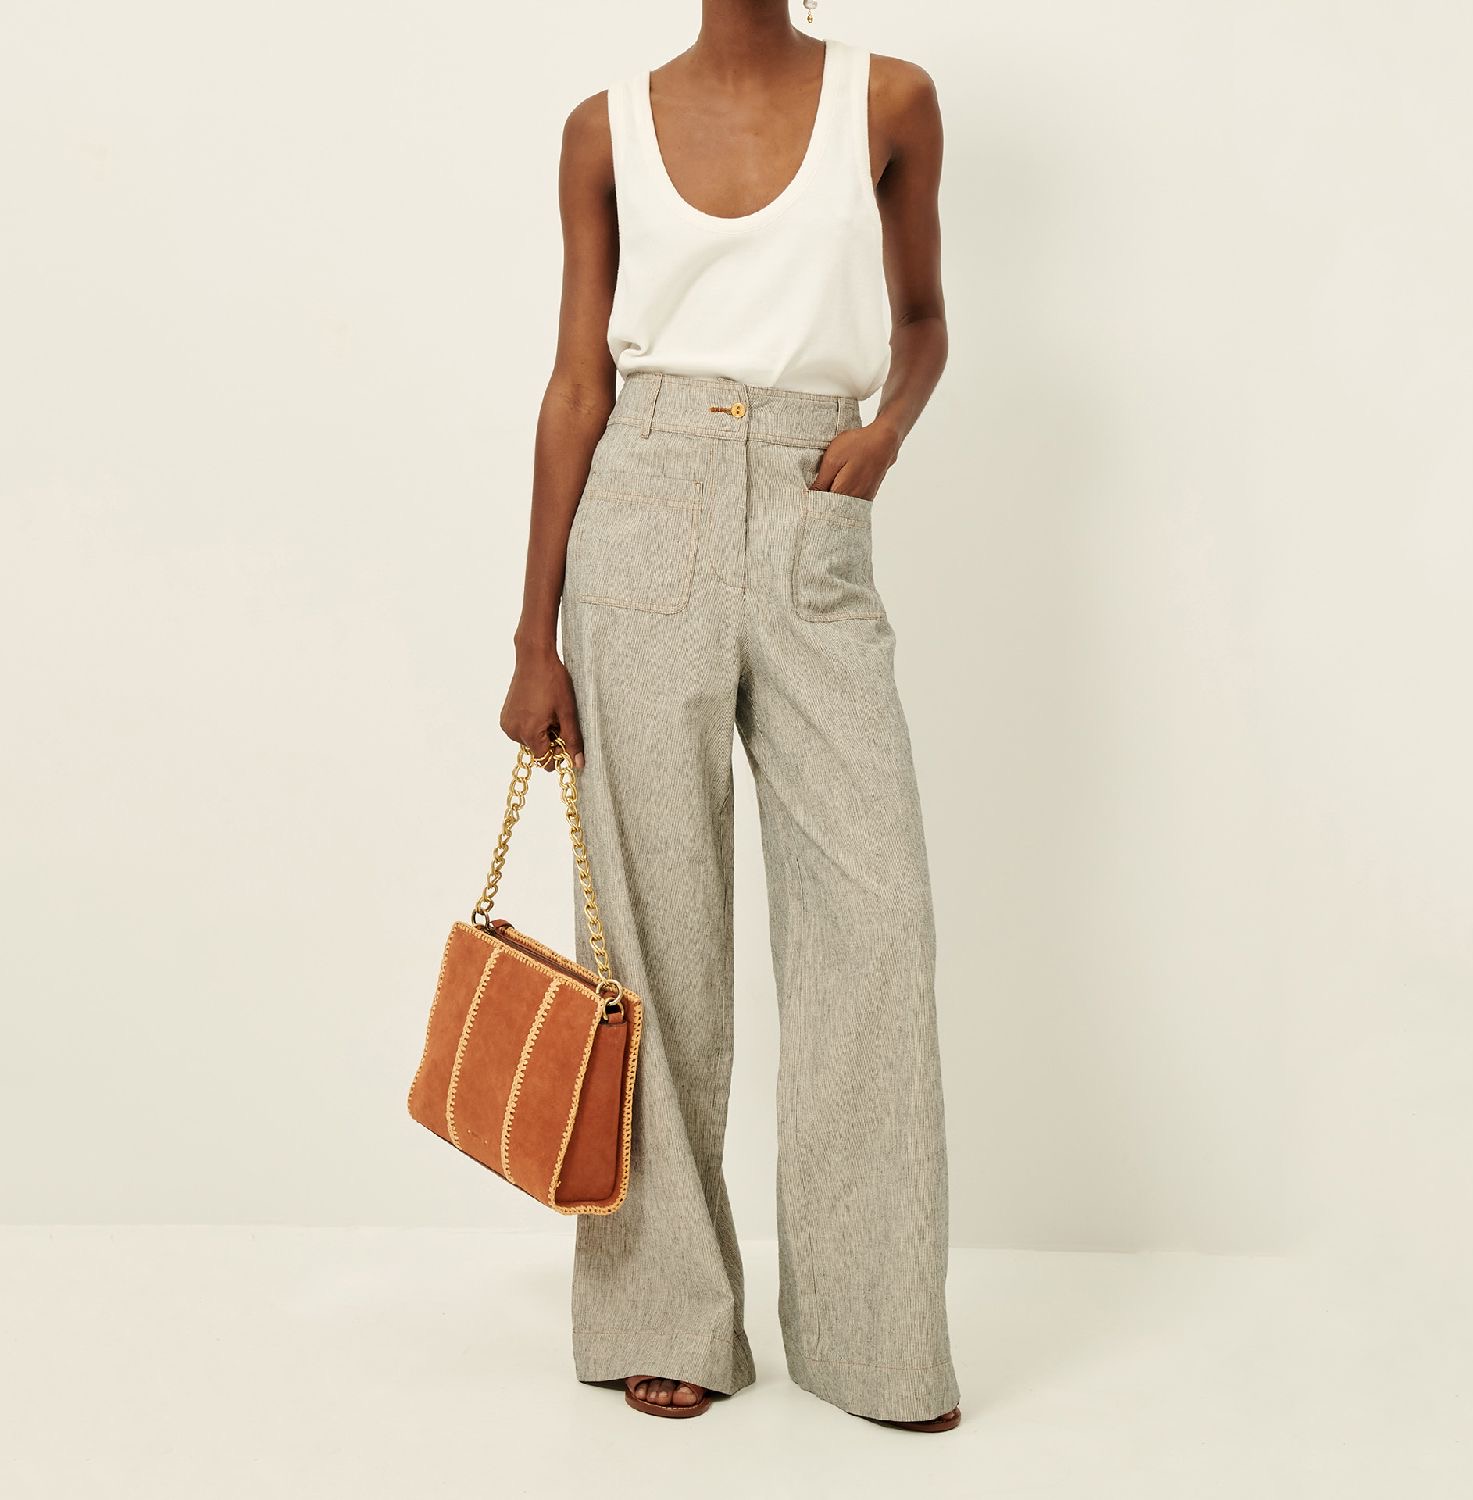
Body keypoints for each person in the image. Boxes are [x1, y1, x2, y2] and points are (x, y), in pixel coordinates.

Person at [499, 0, 961, 1432]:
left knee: (876, 926)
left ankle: (876, 1336)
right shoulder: (603, 128)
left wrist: (884, 436)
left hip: (816, 509)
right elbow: (577, 379)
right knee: (655, 945)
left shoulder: (891, 99)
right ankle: (668, 1314)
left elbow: (923, 324)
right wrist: (531, 634)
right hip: (641, 509)